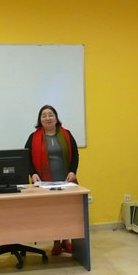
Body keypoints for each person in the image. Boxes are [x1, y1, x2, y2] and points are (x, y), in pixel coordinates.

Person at [25, 104, 79, 256]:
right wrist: (32, 173)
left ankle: (66, 241)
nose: (47, 118)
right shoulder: (33, 137)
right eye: (44, 116)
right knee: (53, 212)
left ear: (56, 118)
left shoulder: (66, 134)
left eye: (51, 115)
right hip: (45, 183)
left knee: (67, 212)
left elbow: (75, 155)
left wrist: (73, 171)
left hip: (66, 181)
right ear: (40, 120)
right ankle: (56, 242)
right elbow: (26, 158)